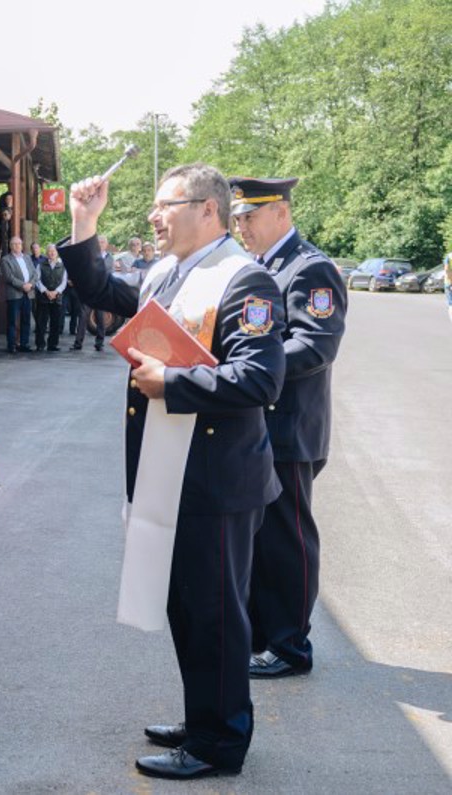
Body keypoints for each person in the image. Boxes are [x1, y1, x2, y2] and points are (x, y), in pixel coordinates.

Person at [60, 163, 285, 780]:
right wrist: (85, 223)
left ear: (208, 209)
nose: (154, 217)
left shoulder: (244, 280)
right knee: (188, 607)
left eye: (167, 205)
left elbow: (262, 378)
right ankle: (206, 714)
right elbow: (102, 292)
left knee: (215, 612)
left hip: (217, 479)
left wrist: (173, 382)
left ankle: (219, 745)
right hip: (172, 469)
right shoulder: (168, 271)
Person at [229, 176, 347, 679]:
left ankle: (291, 645)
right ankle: (263, 634)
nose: (241, 227)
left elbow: (317, 345)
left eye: (248, 217)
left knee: (286, 540)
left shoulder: (309, 268)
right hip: (259, 424)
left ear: (280, 212)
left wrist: (251, 364)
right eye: (236, 219)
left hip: (289, 428)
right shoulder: (258, 267)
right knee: (258, 540)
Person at [0, 236, 36, 352]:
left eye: (19, 244)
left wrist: (30, 284)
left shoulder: (27, 258)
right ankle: (12, 345)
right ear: (10, 246)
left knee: (26, 320)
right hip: (14, 294)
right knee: (12, 321)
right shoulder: (6, 260)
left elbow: (35, 274)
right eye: (14, 244)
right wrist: (23, 285)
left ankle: (24, 344)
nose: (17, 246)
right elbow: (9, 277)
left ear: (22, 245)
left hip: (28, 293)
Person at [34, 244, 66, 352]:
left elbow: (64, 282)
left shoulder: (62, 266)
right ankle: (40, 344)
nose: (52, 253)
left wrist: (56, 292)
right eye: (49, 251)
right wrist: (45, 291)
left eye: (54, 251)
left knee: (55, 323)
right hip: (43, 297)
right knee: (41, 323)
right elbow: (37, 280)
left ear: (57, 253)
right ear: (47, 253)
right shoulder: (40, 265)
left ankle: (53, 344)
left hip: (57, 297)